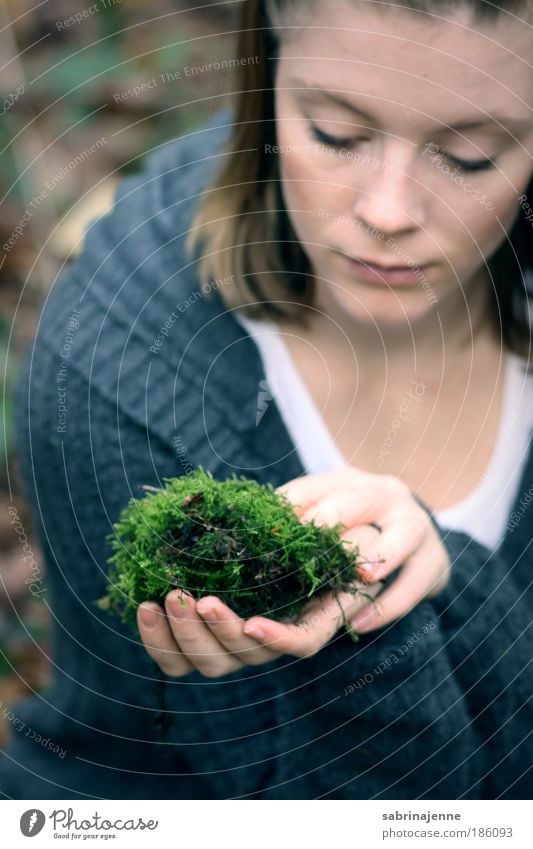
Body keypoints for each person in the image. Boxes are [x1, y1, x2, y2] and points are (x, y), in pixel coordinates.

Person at [0, 0, 531, 800]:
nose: (388, 213)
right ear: (267, 67)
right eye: (335, 134)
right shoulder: (119, 368)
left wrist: (449, 578)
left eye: (468, 155)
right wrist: (387, 617)